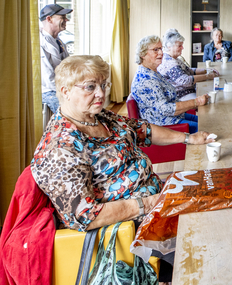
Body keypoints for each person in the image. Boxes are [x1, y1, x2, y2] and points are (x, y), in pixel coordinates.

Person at [30, 55, 212, 282]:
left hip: (156, 200)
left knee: (214, 195)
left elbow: (142, 129)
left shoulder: (99, 117)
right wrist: (150, 202)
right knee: (208, 243)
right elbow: (86, 216)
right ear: (64, 90)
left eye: (103, 84)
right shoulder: (60, 147)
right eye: (90, 87)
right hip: (132, 229)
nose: (101, 93)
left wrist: (188, 138)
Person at [131, 35, 209, 133]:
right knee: (206, 129)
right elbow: (166, 109)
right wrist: (196, 102)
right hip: (163, 125)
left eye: (160, 48)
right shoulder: (146, 80)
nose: (161, 52)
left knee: (207, 122)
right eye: (155, 50)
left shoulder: (152, 72)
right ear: (143, 54)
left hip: (174, 117)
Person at [158, 28, 218, 101]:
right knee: (211, 100)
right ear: (169, 46)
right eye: (179, 46)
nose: (182, 48)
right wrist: (208, 76)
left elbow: (189, 70)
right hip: (180, 95)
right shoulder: (169, 62)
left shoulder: (175, 59)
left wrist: (206, 70)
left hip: (188, 91)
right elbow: (186, 81)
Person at [39, 4, 73, 113]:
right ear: (49, 19)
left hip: (60, 86)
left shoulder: (58, 41)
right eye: (62, 17)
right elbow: (48, 78)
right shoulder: (41, 43)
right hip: (48, 90)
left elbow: (67, 66)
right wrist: (67, 91)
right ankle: (69, 129)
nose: (66, 19)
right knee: (71, 110)